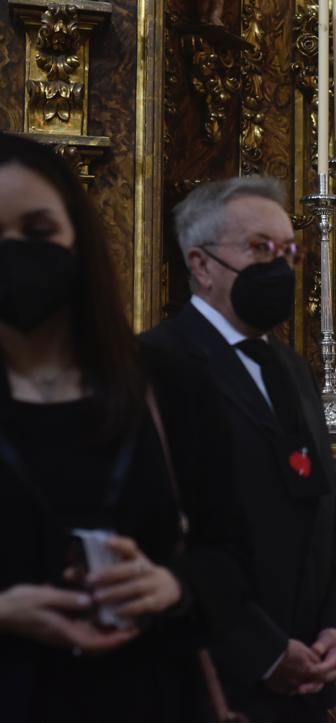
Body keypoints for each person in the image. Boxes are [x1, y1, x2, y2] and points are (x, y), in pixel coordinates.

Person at [141, 176, 336, 723]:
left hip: (310, 679)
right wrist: (262, 651)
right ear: (201, 263)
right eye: (260, 249)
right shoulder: (156, 363)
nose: (281, 266)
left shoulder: (290, 369)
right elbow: (162, 539)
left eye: (288, 250)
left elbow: (328, 514)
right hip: (214, 682)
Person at [0, 133, 193, 722]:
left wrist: (171, 587)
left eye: (37, 233)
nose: (15, 253)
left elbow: (229, 552)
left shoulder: (161, 381)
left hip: (140, 694)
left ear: (77, 240)